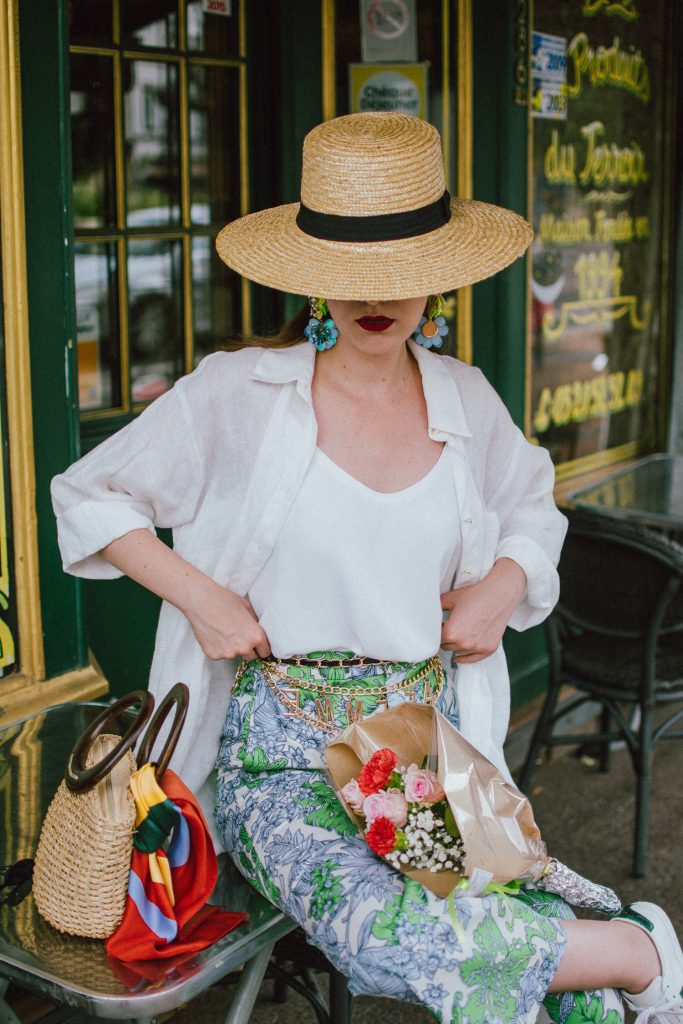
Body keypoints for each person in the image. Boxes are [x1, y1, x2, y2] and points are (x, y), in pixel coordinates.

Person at [52, 113, 682, 1024]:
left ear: (438, 275)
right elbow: (88, 494)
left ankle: (630, 991)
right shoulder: (238, 395)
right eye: (349, 274)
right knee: (380, 934)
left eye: (399, 273)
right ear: (312, 278)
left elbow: (533, 509)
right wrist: (202, 598)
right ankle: (633, 952)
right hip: (281, 753)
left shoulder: (463, 397)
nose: (374, 297)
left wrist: (499, 591)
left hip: (420, 738)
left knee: (491, 910)